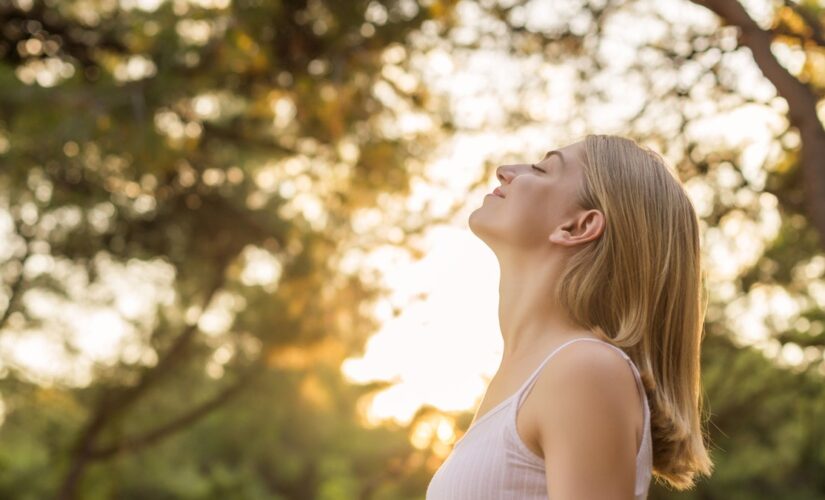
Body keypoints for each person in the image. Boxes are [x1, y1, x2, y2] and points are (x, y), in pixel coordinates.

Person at [426, 134, 714, 499]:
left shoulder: (585, 369)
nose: (505, 172)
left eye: (543, 169)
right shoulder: (537, 374)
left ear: (577, 226)